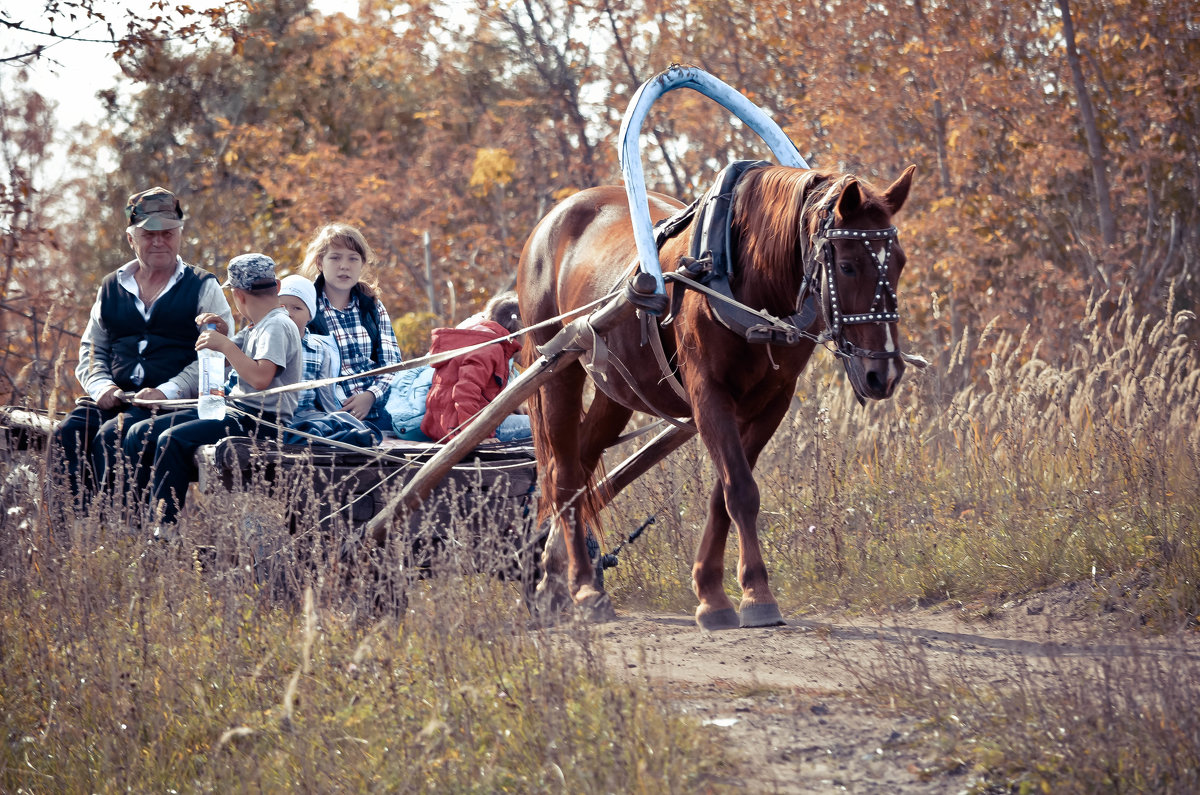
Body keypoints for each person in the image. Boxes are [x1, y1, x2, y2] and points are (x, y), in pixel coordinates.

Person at [51, 186, 234, 503]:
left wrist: (168, 391)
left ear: (179, 233)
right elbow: (91, 350)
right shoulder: (111, 285)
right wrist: (102, 387)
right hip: (115, 398)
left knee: (114, 436)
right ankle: (70, 530)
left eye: (167, 232)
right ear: (131, 238)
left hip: (172, 407)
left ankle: (122, 533)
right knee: (67, 434)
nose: (159, 241)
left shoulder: (204, 286)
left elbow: (217, 357)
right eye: (149, 234)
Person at [137, 253, 302, 527]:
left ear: (238, 295)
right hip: (236, 414)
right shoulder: (256, 327)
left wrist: (225, 345)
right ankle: (135, 519)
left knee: (172, 440)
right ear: (278, 286)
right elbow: (226, 359)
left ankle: (165, 531)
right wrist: (222, 335)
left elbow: (261, 377)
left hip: (261, 423)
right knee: (142, 432)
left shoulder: (277, 325)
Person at [299, 223, 402, 433]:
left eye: (353, 258)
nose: (344, 266)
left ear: (362, 264)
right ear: (320, 262)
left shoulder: (371, 306)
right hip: (328, 412)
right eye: (335, 257)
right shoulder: (306, 306)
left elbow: (392, 364)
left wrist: (371, 395)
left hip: (377, 408)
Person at [420, 290, 530, 442]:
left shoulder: (487, 344)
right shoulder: (489, 350)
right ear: (519, 331)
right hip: (464, 429)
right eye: (530, 337)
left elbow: (484, 392)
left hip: (457, 424)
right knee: (542, 424)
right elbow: (464, 393)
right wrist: (476, 436)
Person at [277, 274, 341, 421]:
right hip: (271, 413)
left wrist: (335, 416)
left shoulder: (320, 350)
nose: (288, 313)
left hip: (306, 413)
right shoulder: (265, 342)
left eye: (297, 308)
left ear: (309, 316)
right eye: (281, 307)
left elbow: (325, 392)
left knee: (333, 425)